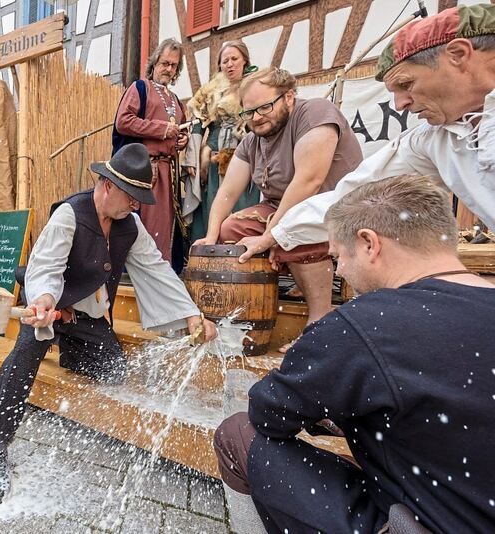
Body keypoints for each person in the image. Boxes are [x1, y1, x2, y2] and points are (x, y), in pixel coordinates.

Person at [213, 175, 495, 533]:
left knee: (238, 432)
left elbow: (270, 414)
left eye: (337, 257)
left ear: (368, 244)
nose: (341, 271)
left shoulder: (366, 323)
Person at [0, 143, 218, 503]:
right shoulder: (68, 214)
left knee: (112, 370)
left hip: (85, 312)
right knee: (24, 356)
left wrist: (190, 314)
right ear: (108, 186)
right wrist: (43, 300)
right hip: (50, 302)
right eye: (131, 197)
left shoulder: (131, 225)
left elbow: (156, 269)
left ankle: (67, 345)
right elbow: (46, 267)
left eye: (140, 198)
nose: (135, 205)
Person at [272, 3, 495, 253]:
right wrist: (278, 233)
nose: (400, 105)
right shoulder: (433, 139)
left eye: (406, 83)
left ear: (458, 55)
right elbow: (357, 194)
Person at [194, 67, 363, 350]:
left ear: (289, 98)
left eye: (265, 107)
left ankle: (320, 314)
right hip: (284, 209)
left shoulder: (316, 113)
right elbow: (227, 192)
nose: (256, 118)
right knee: (231, 228)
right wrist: (211, 236)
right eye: (249, 112)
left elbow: (309, 181)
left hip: (336, 207)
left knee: (291, 228)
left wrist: (269, 235)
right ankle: (278, 290)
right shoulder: (251, 140)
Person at [114, 39, 189, 267]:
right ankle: (138, 272)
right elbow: (123, 122)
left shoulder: (175, 101)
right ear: (155, 62)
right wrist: (162, 129)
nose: (169, 69)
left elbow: (175, 134)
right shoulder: (140, 88)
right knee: (144, 224)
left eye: (174, 65)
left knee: (165, 229)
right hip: (145, 169)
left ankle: (160, 275)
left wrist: (181, 141)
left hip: (168, 172)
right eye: (165, 62)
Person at [183, 40, 260, 242]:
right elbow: (198, 124)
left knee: (242, 205)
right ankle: (212, 251)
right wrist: (196, 156)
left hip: (244, 157)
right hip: (216, 161)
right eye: (225, 61)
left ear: (244, 60)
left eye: (234, 59)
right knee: (215, 204)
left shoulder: (255, 86)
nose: (229, 64)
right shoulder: (211, 90)